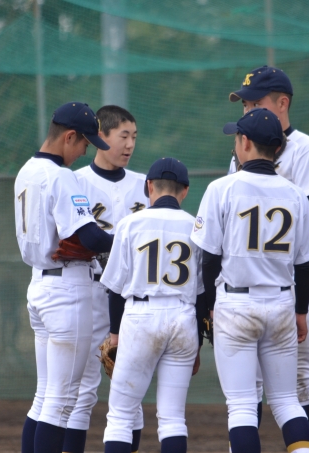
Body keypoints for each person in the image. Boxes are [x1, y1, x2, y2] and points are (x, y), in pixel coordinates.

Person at [192, 109, 309, 453]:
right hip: (281, 302)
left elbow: (209, 259)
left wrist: (209, 308)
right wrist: (301, 312)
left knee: (242, 406)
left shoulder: (221, 188)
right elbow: (304, 265)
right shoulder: (295, 194)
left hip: (236, 303)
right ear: (277, 147)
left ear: (245, 142)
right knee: (287, 402)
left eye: (237, 138)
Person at [227, 65, 309, 452]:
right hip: (247, 284)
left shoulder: (306, 150)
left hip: (294, 279)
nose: (247, 109)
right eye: (244, 104)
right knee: (248, 386)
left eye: (255, 102)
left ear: (283, 103)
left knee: (304, 378)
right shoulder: (241, 149)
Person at [15, 102, 115, 453]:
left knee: (45, 396)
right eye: (85, 142)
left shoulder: (26, 170)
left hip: (40, 285)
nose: (86, 150)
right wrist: (131, 239)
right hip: (66, 290)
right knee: (61, 401)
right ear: (69, 136)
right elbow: (90, 238)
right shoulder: (61, 175)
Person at [101, 157, 207, 453]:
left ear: (149, 186)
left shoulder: (129, 224)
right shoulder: (195, 227)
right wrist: (197, 343)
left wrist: (115, 336)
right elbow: (201, 295)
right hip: (183, 317)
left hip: (141, 315)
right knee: (173, 418)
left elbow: (115, 290)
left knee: (120, 417)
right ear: (184, 190)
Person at [64, 105, 149, 453]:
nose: (130, 144)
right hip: (90, 292)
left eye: (134, 137)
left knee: (130, 391)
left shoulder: (145, 184)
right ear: (101, 136)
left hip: (132, 299)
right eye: (123, 136)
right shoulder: (77, 181)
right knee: (82, 390)